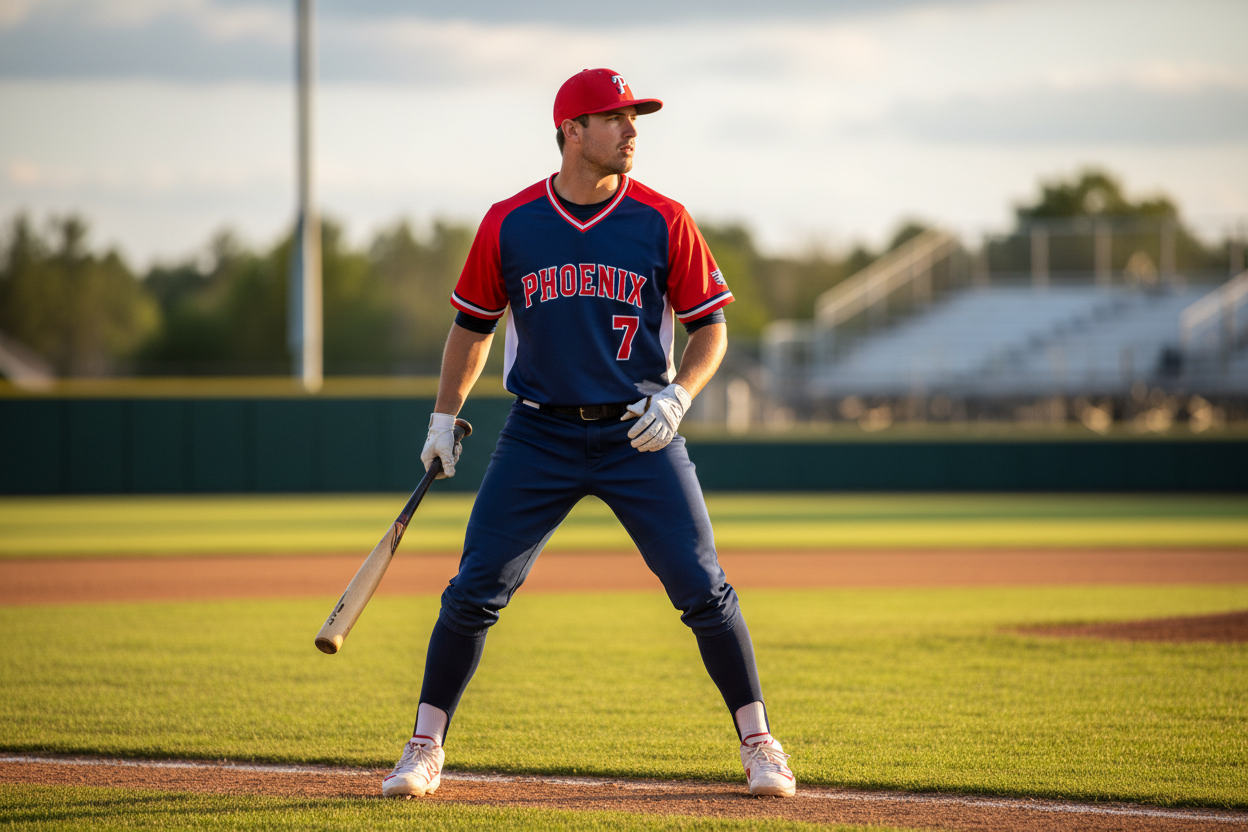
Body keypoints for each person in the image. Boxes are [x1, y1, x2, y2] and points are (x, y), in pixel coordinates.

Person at [382, 68, 795, 800]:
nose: (632, 130)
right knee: (473, 591)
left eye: (635, 118)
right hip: (539, 434)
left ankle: (761, 745)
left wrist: (679, 395)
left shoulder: (664, 218)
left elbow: (712, 328)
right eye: (614, 118)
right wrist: (444, 416)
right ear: (571, 131)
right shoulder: (510, 221)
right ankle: (423, 747)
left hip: (642, 431)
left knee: (704, 589)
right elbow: (473, 327)